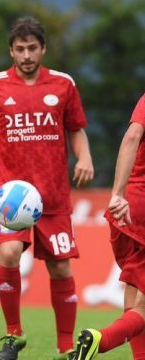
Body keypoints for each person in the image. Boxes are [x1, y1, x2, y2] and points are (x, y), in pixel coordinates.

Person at [0, 17, 94, 360]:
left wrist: (84, 157)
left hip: (53, 196)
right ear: (11, 51)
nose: (26, 55)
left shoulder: (64, 85)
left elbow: (76, 128)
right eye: (20, 49)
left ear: (43, 49)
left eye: (32, 48)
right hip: (10, 198)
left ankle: (66, 347)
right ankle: (14, 335)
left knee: (61, 268)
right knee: (9, 253)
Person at [73, 95, 145, 360]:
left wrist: (118, 193)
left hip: (130, 205)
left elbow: (132, 136)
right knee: (143, 306)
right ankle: (100, 340)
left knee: (136, 292)